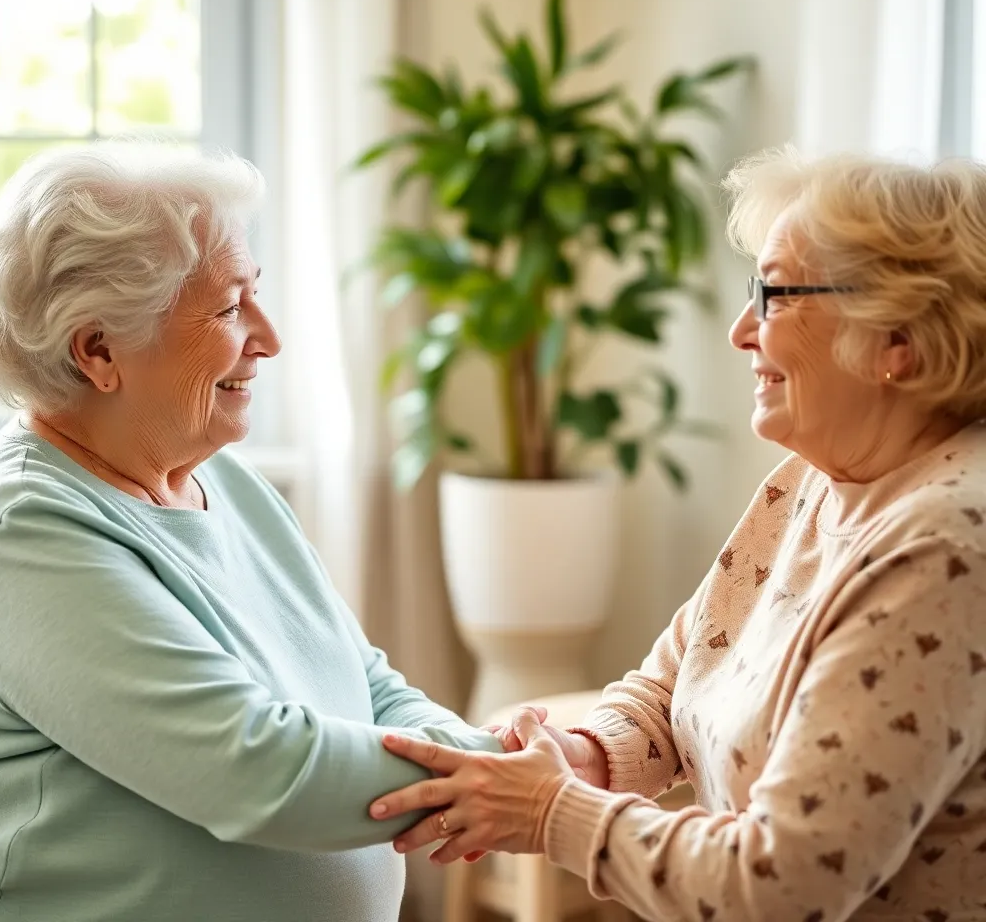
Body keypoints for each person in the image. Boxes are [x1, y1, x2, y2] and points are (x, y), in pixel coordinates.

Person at [369, 149, 986, 922]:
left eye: (775, 294)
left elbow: (778, 888)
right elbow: (675, 683)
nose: (740, 331)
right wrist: (585, 755)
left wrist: (551, 813)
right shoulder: (813, 481)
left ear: (898, 336)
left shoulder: (946, 548)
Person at [0, 143, 503, 922]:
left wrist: (484, 755)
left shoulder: (225, 483)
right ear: (97, 350)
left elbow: (366, 686)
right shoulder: (24, 534)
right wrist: (498, 777)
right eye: (227, 308)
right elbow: (257, 768)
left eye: (257, 294)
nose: (269, 336)